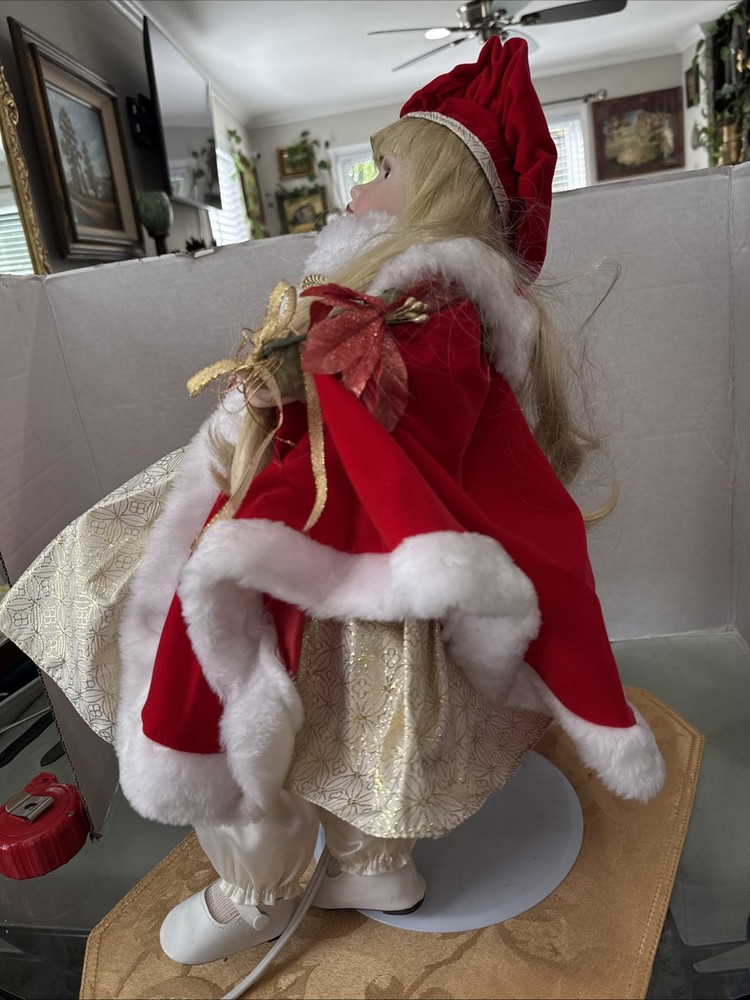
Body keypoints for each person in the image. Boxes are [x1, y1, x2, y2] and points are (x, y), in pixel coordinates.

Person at [6, 36, 666, 966]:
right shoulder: (401, 296)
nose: (360, 186)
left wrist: (312, 374)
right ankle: (366, 864)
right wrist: (292, 374)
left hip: (344, 546)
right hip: (325, 520)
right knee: (348, 729)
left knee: (277, 702)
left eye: (385, 171)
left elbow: (398, 414)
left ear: (438, 200)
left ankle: (263, 889)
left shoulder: (437, 306)